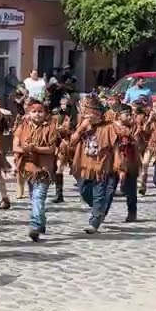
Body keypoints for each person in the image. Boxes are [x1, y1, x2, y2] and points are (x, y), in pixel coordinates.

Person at [67, 97, 123, 234]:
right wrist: (81, 128)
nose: (90, 116)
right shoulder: (83, 126)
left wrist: (118, 163)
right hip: (85, 166)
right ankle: (99, 209)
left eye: (94, 114)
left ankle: (94, 221)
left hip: (101, 166)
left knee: (99, 193)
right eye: (88, 113)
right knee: (84, 191)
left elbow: (115, 147)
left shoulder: (109, 127)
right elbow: (72, 142)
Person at [12, 100, 59, 242]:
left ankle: (35, 225)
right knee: (34, 197)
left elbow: (51, 149)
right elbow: (15, 147)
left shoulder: (51, 128)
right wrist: (26, 150)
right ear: (29, 113)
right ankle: (41, 222)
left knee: (38, 197)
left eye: (40, 111)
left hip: (45, 168)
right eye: (34, 111)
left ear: (45, 114)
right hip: (29, 168)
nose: (37, 114)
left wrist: (35, 149)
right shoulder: (22, 128)